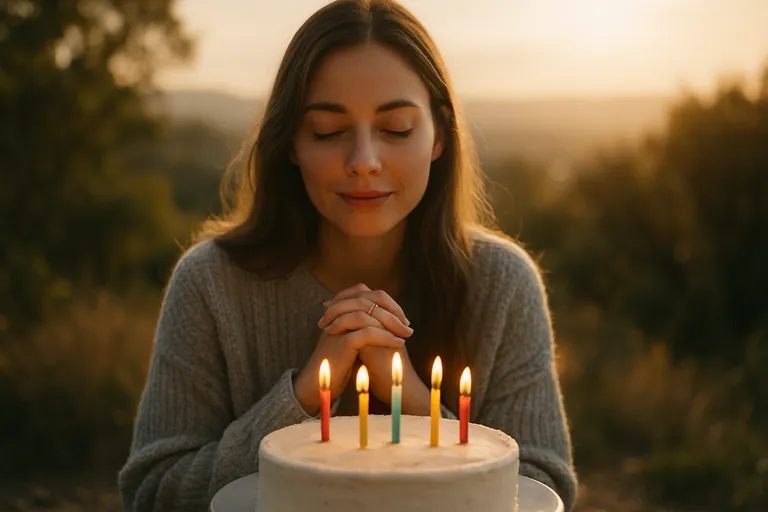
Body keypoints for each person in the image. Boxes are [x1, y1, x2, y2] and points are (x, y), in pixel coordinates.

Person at [118, 0, 577, 510]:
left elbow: (544, 487)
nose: (363, 162)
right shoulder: (210, 283)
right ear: (291, 142)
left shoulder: (503, 283)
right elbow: (154, 490)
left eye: (397, 128)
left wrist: (415, 403)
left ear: (439, 135)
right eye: (329, 132)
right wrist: (304, 399)